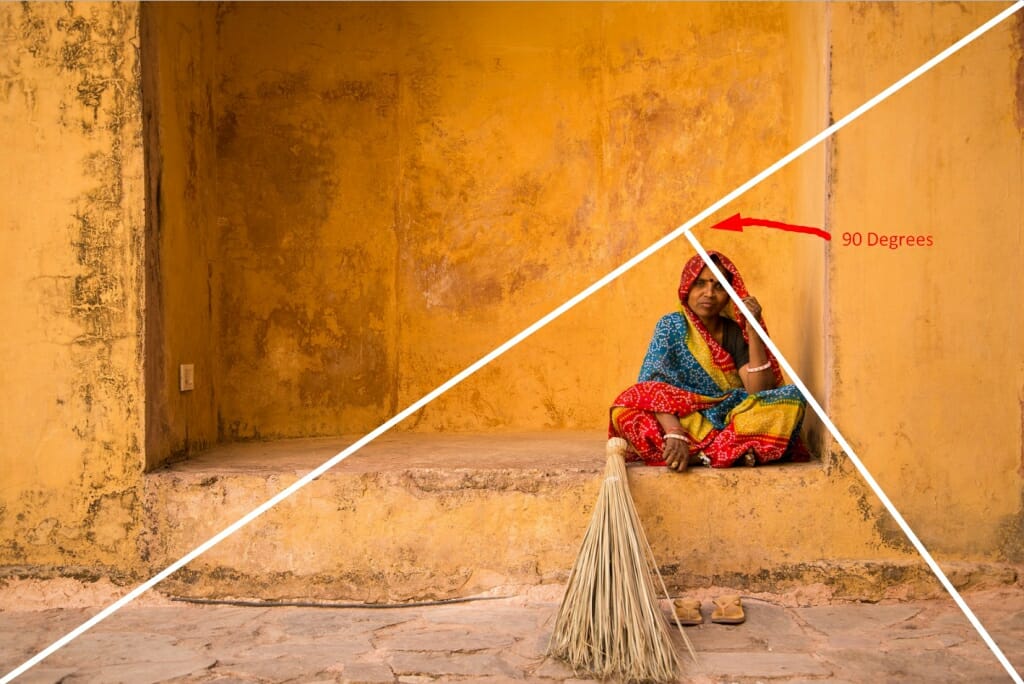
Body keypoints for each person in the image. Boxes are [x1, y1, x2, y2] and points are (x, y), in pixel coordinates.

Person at [609, 251, 808, 471]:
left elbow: (758, 392)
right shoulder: (671, 326)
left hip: (728, 417)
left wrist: (753, 331)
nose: (709, 293)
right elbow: (650, 389)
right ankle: (728, 452)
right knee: (625, 411)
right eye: (700, 284)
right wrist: (675, 432)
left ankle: (704, 455)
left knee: (790, 399)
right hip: (683, 419)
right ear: (687, 288)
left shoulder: (733, 331)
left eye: (719, 286)